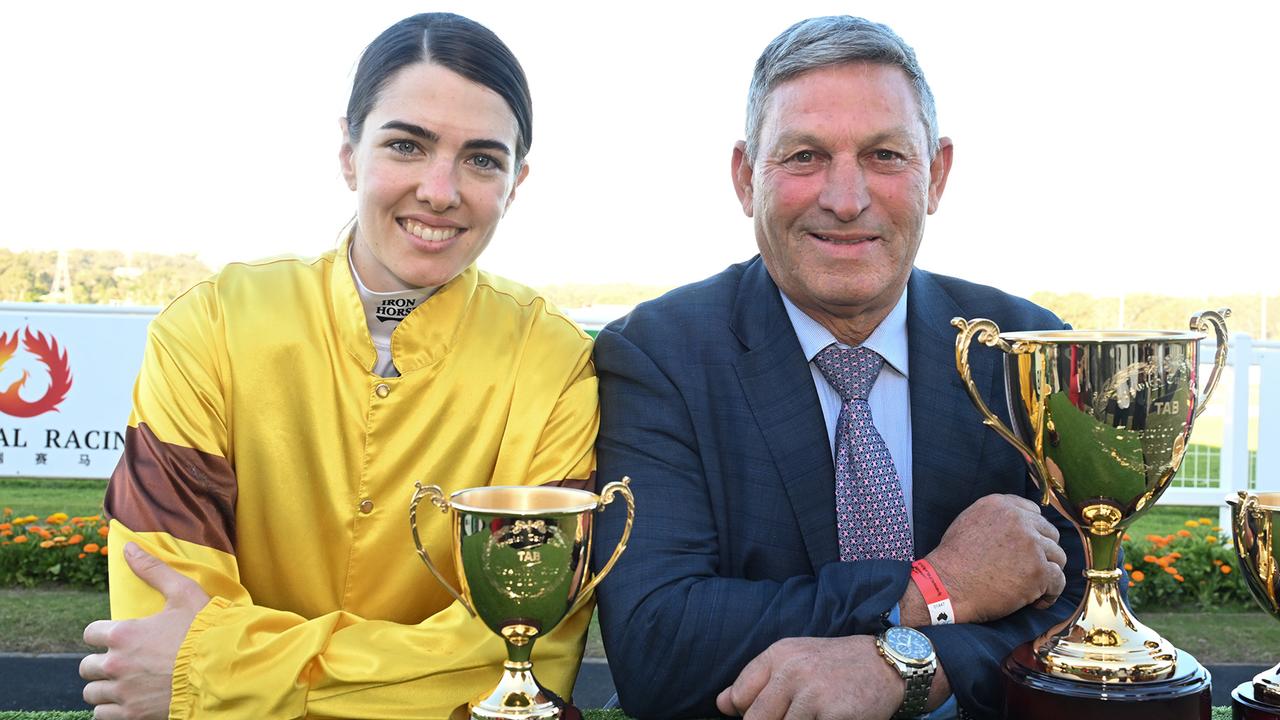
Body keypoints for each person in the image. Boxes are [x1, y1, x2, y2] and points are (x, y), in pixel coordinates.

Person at [78, 13, 598, 720]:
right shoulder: (211, 325)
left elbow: (522, 666)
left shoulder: (555, 362)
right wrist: (404, 673)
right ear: (349, 154)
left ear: (517, 181)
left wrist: (211, 672)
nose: (440, 191)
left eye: (482, 159)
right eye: (406, 145)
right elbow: (156, 613)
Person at [591, 16, 1087, 720]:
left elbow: (1088, 611)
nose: (846, 199)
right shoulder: (659, 355)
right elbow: (658, 642)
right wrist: (931, 588)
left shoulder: (1022, 350)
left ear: (936, 174)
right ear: (745, 177)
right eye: (804, 156)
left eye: (885, 155)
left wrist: (905, 667)